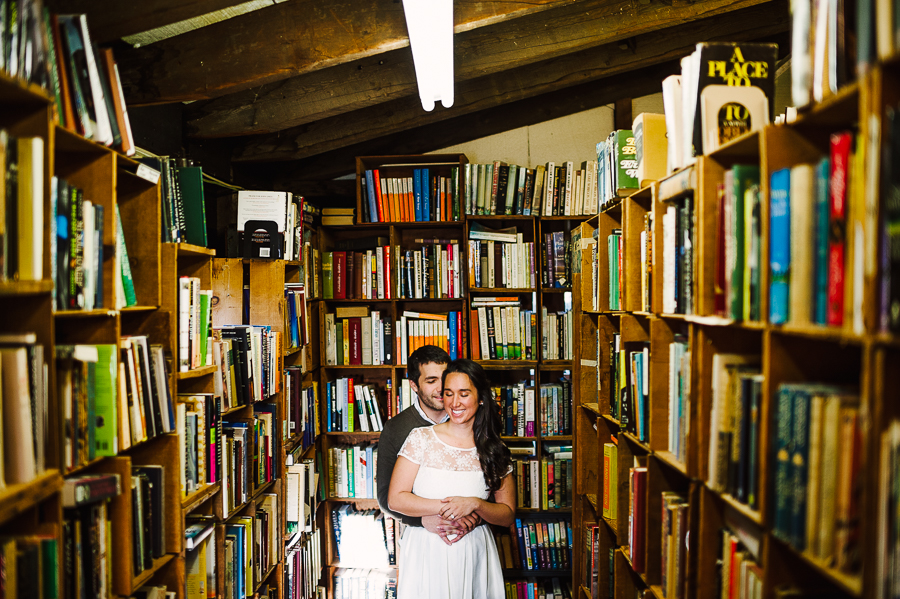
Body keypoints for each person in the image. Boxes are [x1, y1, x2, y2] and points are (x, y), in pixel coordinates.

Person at [388, 358, 515, 599]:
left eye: (464, 393)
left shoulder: (494, 448)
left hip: (474, 550)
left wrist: (475, 505)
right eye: (448, 393)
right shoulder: (420, 438)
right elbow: (395, 499)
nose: (455, 402)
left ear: (480, 397)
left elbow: (507, 514)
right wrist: (450, 508)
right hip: (426, 549)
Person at [376, 345, 480, 544]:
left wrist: (476, 515)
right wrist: (422, 521)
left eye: (444, 377)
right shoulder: (396, 428)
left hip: (472, 532)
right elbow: (385, 497)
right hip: (424, 536)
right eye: (431, 381)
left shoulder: (472, 420)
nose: (441, 388)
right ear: (414, 385)